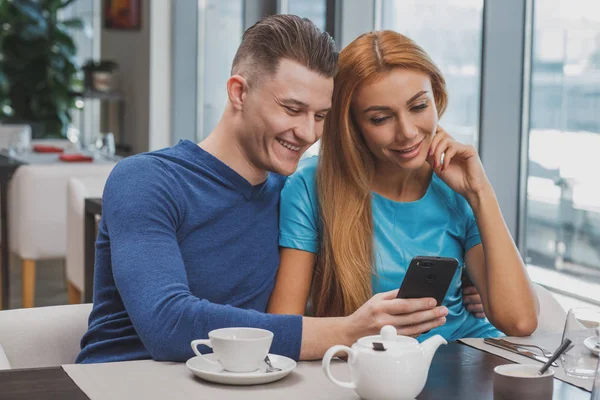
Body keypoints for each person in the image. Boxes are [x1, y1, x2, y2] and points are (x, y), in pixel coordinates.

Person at [77, 16, 454, 364]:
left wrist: (467, 288)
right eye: (292, 109)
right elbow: (168, 325)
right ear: (239, 92)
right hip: (125, 379)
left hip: (243, 381)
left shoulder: (294, 195)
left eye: (320, 116)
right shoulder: (145, 180)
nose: (308, 133)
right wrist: (347, 331)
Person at [268, 30, 539, 341]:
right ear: (352, 126)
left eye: (419, 106)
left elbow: (520, 322)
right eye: (381, 118)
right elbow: (283, 328)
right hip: (375, 370)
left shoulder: (457, 184)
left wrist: (480, 192)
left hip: (465, 357)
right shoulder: (309, 187)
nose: (408, 132)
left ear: (436, 97)